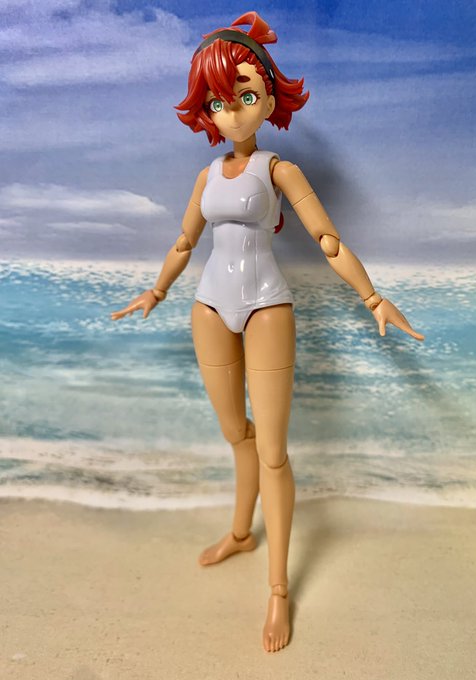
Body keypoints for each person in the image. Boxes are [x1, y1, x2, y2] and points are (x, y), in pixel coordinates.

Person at [111, 11, 424, 653]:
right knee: (236, 434)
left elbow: (328, 239)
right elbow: (184, 241)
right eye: (218, 102)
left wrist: (372, 297)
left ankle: (278, 588)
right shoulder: (207, 176)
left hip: (266, 308)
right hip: (209, 307)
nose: (231, 112)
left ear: (269, 97)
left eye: (244, 96)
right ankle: (240, 532)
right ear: (206, 109)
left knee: (273, 451)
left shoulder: (278, 169)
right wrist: (157, 289)